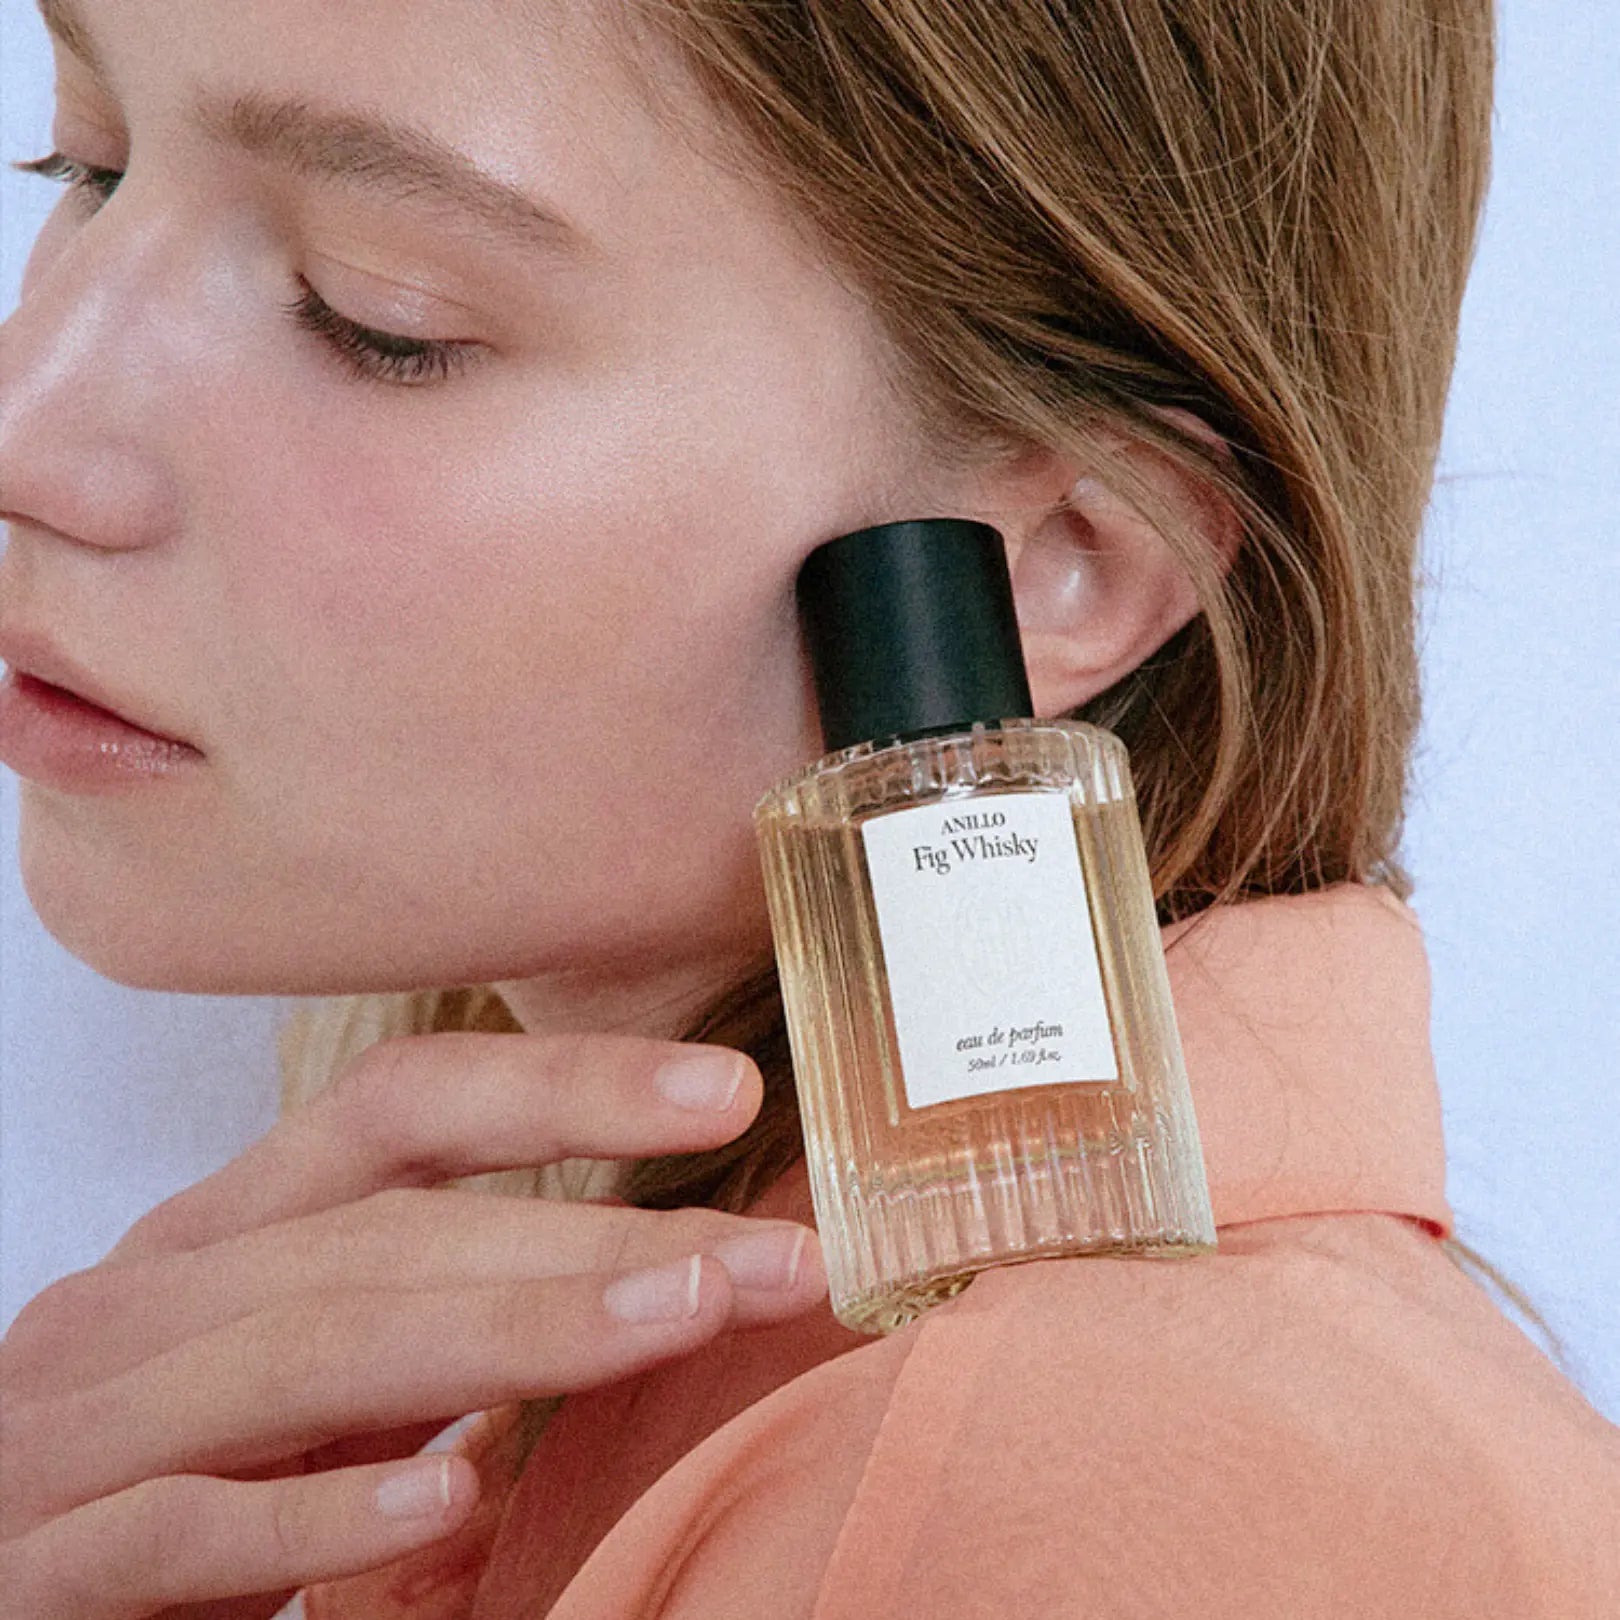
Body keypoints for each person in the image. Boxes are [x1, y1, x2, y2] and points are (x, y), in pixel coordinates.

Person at [0, 0, 1615, 1615]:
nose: (31, 430)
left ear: (1070, 559)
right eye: (89, 165)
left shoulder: (1095, 1495)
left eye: (376, 318)